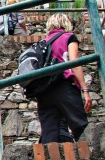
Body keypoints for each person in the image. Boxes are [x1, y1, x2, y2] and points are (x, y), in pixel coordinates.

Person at [35, 14, 92, 143]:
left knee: (49, 132)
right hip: (64, 85)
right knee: (80, 125)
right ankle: (90, 157)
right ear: (66, 23)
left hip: (44, 89)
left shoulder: (43, 43)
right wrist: (85, 90)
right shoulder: (68, 37)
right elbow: (74, 63)